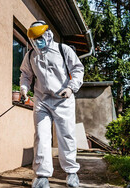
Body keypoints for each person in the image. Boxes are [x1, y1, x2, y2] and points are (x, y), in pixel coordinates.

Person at [20, 20, 84, 188]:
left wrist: (71, 88)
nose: (37, 41)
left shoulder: (64, 50)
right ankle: (41, 176)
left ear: (47, 34)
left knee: (66, 136)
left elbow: (78, 69)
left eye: (40, 38)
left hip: (63, 99)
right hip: (42, 100)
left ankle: (71, 173)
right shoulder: (31, 55)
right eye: (34, 39)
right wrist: (24, 89)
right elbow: (26, 74)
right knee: (41, 136)